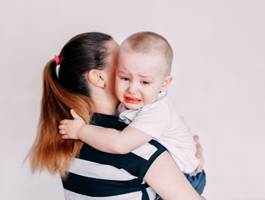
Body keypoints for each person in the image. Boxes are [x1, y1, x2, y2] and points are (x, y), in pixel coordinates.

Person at [28, 32, 204, 200]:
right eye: (120, 62)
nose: (131, 64)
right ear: (98, 77)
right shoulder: (139, 147)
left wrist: (184, 152)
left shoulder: (68, 139)